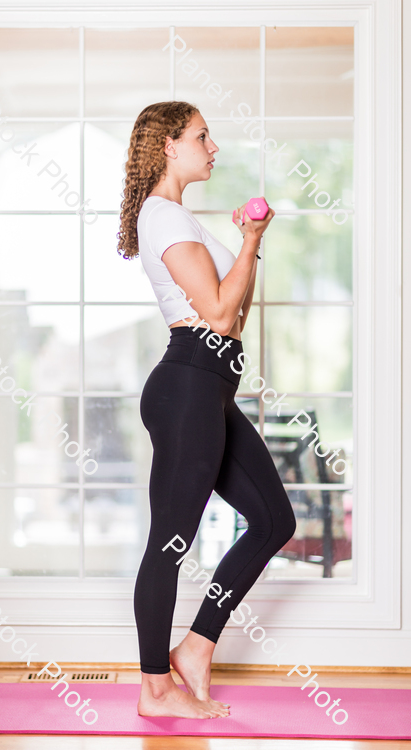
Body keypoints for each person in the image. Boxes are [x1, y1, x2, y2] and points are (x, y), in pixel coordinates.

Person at [117, 101, 297, 720]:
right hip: (187, 385)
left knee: (274, 522)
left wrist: (244, 247)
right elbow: (219, 316)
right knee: (170, 542)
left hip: (208, 386)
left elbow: (229, 318)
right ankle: (153, 686)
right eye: (201, 136)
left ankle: (194, 647)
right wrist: (249, 242)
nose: (212, 146)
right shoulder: (163, 216)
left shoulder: (179, 219)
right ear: (169, 145)